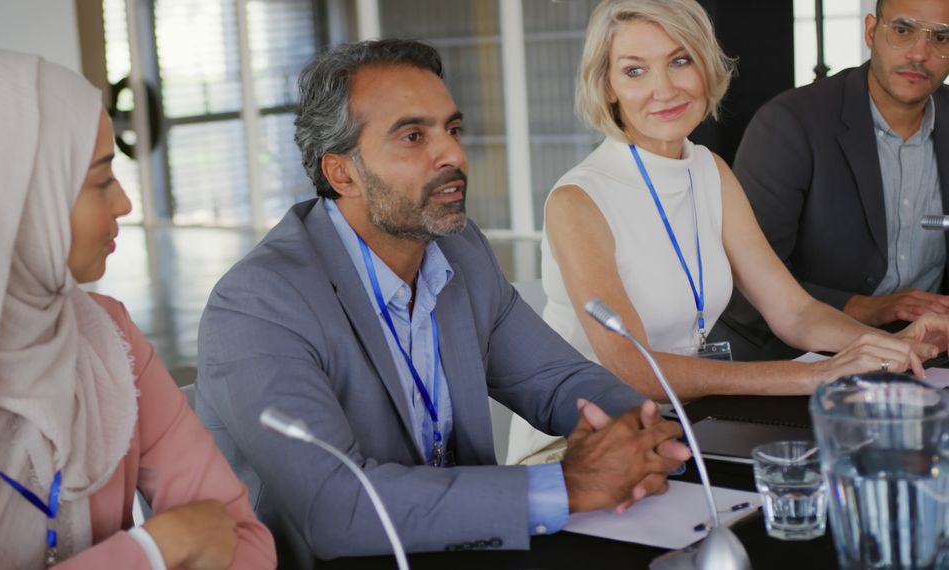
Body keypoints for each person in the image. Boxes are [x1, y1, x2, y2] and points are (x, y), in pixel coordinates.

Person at [195, 39, 689, 567]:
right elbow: (337, 509)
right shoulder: (257, 305)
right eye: (413, 136)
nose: (453, 154)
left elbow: (560, 382)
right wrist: (566, 484)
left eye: (452, 129)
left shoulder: (460, 249)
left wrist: (644, 435)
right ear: (342, 173)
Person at [0, 50, 275, 569]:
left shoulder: (108, 338)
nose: (125, 203)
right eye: (101, 180)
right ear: (7, 198)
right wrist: (154, 550)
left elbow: (247, 546)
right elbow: (197, 539)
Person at [507, 0, 949, 464]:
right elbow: (633, 370)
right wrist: (811, 375)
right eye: (635, 71)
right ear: (608, 86)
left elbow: (794, 312)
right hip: (580, 444)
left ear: (705, 67)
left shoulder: (708, 168)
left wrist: (894, 346)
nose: (664, 88)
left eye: (680, 61)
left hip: (680, 426)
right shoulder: (578, 199)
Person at [712, 0, 949, 361]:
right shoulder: (789, 124)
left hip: (931, 354)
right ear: (871, 31)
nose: (920, 53)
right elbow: (740, 286)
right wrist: (867, 308)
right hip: (803, 356)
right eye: (903, 31)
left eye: (941, 38)